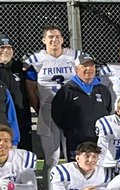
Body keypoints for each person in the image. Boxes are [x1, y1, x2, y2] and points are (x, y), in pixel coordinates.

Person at [25, 26, 85, 171]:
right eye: (51, 37)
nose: (54, 40)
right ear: (43, 40)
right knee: (51, 158)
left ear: (63, 39)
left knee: (74, 155)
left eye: (58, 36)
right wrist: (40, 108)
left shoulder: (74, 56)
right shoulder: (36, 60)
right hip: (48, 110)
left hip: (72, 112)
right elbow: (31, 90)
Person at [51, 55, 113, 157]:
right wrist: (71, 131)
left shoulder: (103, 90)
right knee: (76, 170)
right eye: (85, 66)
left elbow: (108, 110)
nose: (89, 69)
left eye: (91, 66)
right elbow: (57, 115)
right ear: (76, 69)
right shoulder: (66, 91)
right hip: (76, 141)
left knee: (99, 170)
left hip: (100, 140)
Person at [0, 35, 34, 154]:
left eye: (9, 48)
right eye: (2, 47)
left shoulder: (21, 67)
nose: (6, 50)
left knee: (24, 156)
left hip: (21, 119)